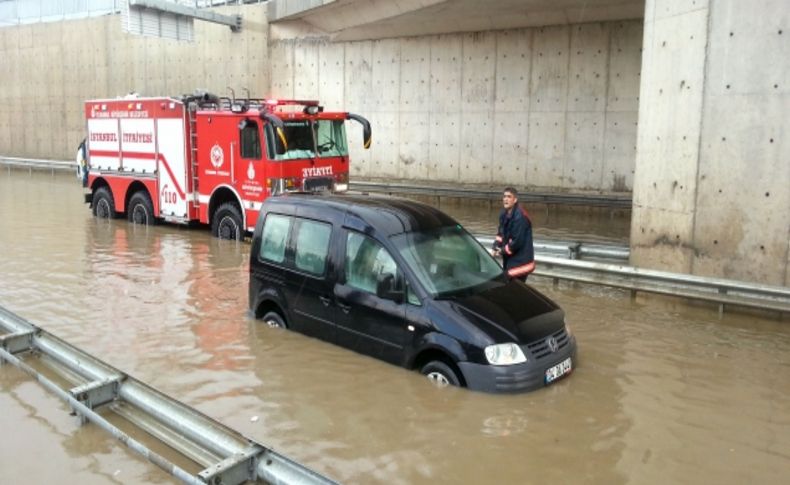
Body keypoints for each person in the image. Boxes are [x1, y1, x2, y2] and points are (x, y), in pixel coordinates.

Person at [492, 187, 535, 281]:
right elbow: (500, 233)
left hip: (521, 262)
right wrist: (495, 246)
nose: (505, 199)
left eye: (509, 197)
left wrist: (502, 251)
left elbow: (517, 242)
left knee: (511, 287)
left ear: (515, 200)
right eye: (504, 196)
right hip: (511, 260)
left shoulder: (520, 217)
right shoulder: (503, 213)